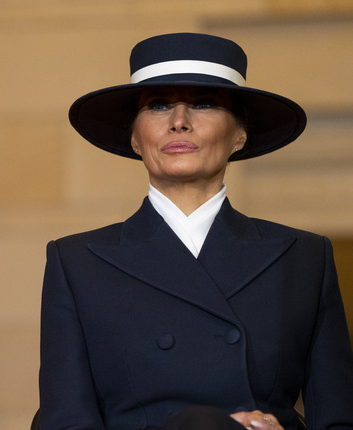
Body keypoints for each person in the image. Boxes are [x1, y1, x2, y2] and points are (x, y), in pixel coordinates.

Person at [38, 33, 353, 430]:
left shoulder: (306, 257)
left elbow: (339, 418)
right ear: (136, 138)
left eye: (204, 103)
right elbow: (66, 421)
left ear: (240, 135)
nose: (179, 121)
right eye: (158, 105)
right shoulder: (76, 261)